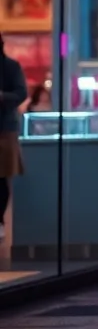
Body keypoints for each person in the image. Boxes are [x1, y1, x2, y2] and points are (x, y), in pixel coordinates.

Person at [0, 34, 26, 238]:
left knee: (1, 180)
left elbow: (21, 93)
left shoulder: (10, 67)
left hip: (4, 130)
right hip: (5, 128)